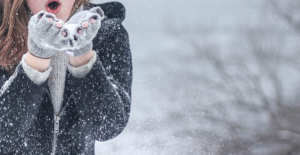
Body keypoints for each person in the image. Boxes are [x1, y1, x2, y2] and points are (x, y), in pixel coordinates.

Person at [0, 0, 132, 154]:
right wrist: (37, 57)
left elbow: (108, 127)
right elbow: (4, 132)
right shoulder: (3, 33)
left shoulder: (108, 33)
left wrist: (82, 54)